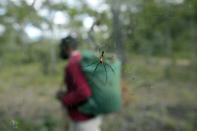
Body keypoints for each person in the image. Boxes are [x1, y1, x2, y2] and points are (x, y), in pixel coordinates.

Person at [56, 36, 102, 131]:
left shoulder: (73, 65)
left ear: (67, 48)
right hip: (90, 115)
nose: (61, 51)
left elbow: (84, 92)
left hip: (84, 120)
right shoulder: (82, 60)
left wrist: (65, 99)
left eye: (62, 48)